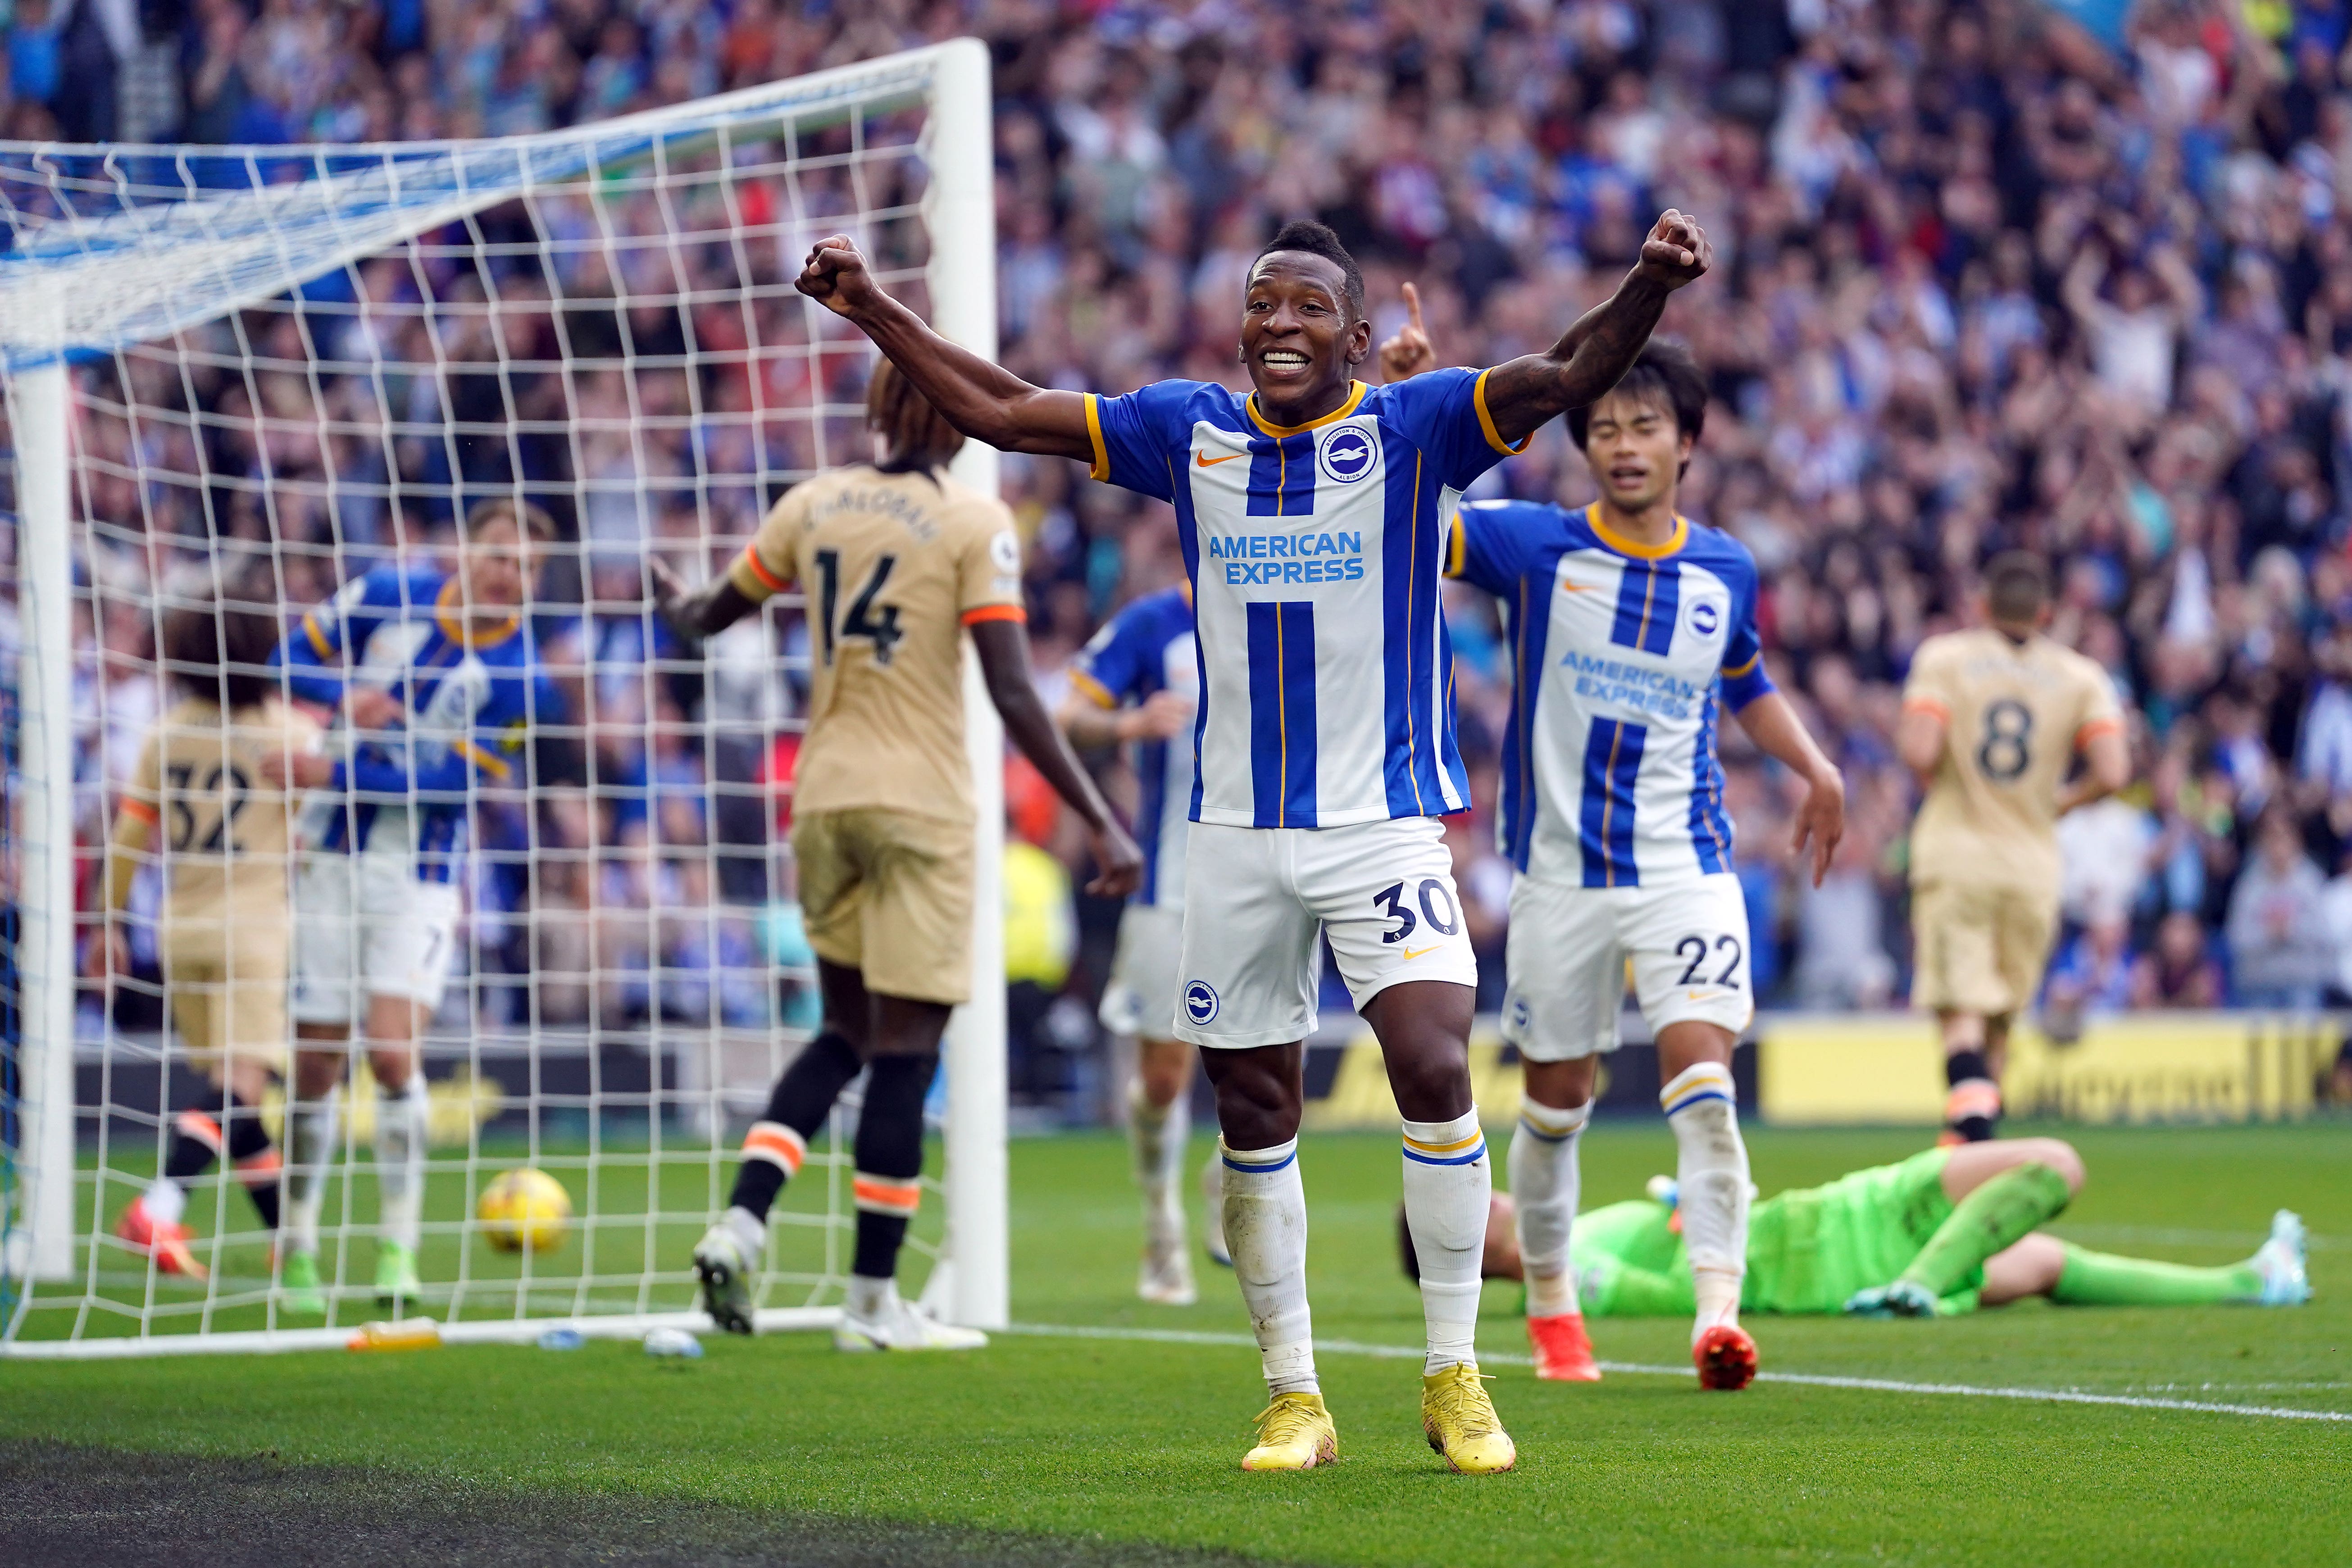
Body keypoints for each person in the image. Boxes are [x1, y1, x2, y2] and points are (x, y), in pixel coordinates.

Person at [795, 205, 1713, 1473]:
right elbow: (1005, 410)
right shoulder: (1190, 430)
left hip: (1380, 823)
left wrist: (1646, 285)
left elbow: (1563, 376)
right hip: (1229, 833)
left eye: (1306, 310)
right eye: (1261, 304)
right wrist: (871, 311)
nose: (1278, 324)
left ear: (1348, 336)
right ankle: (1292, 1395)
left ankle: (1454, 1373)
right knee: (1250, 1104)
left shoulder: (1413, 424)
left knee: (1433, 1059)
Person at [652, 361, 1140, 1353]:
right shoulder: (972, 523)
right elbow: (1010, 689)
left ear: (876, 410)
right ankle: (872, 1305)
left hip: (823, 796)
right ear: (957, 419)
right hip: (918, 807)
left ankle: (741, 1221)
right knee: (907, 1052)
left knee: (843, 1030)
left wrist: (675, 604)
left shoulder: (812, 503)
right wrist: (1099, 812)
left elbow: (709, 615)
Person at [1441, 340, 1847, 1392]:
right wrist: (1413, 394)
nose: (1625, 444)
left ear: (1688, 443)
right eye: (1606, 428)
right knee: (1556, 1104)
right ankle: (1550, 1309)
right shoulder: (1532, 548)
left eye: (1646, 425)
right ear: (1583, 446)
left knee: (1703, 1087)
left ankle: (1720, 1312)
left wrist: (1815, 766)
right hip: (1558, 873)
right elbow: (1409, 518)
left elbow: (1745, 677)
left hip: (1685, 862)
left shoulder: (1724, 567)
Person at [264, 498, 563, 1312]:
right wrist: (338, 698)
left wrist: (336, 772)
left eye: (529, 569)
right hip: (329, 850)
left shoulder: (523, 681)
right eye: (502, 556)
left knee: (392, 1054)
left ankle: (398, 1249)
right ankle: (296, 1246)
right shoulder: (389, 594)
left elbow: (456, 786)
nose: (512, 577)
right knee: (316, 1060)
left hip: (421, 872)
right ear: (470, 550)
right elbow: (283, 657)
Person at [1402, 1138, 2310, 1321]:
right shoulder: (1577, 1282)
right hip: (1836, 1236)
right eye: (1469, 1201)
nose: (1488, 1191)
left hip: (1843, 1238)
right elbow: (1692, 1297)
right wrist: (1693, 1217)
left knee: (2041, 1260)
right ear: (1474, 1245)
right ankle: (1920, 1279)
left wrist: (1683, 1202)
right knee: (2053, 1181)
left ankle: (2253, 1279)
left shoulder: (1578, 1234)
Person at [105, 578, 322, 1286]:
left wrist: (106, 922)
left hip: (182, 931)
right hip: (254, 930)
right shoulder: (288, 734)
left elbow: (130, 839)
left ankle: (290, 1243)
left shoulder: (164, 737)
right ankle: (158, 1206)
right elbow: (322, 838)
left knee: (238, 1099)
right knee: (237, 1090)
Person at [1897, 554, 2131, 1144]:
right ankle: (1972, 1144)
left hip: (1956, 853)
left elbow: (1920, 752)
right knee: (2000, 1014)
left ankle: (1971, 1134)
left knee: (1960, 1011)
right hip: (2032, 862)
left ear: (1980, 606)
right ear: (2046, 613)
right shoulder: (2081, 677)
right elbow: (2113, 769)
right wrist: (2062, 800)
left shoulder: (1944, 659)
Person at [1059, 579, 1206, 1304]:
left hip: (1276, 873)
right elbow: (1069, 715)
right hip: (1172, 884)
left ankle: (1234, 1184)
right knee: (1164, 1078)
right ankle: (1161, 1224)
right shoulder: (1154, 622)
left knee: (1279, 1070)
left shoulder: (1289, 592)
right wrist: (1129, 726)